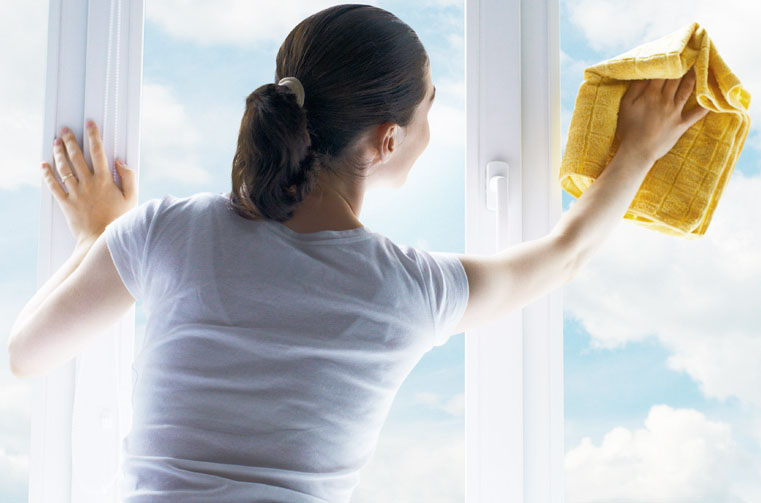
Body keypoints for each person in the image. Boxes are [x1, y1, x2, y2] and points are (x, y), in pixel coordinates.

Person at [8, 4, 709, 502]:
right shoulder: (406, 290)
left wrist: (99, 235)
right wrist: (638, 151)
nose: (430, 126)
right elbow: (564, 254)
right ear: (385, 139)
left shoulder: (164, 231)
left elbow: (25, 354)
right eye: (427, 109)